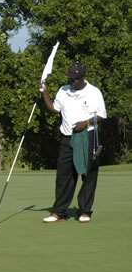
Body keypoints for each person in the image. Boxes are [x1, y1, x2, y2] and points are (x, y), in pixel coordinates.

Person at [39, 61, 107, 223]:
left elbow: (102, 116)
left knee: (88, 174)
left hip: (87, 137)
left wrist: (86, 122)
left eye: (75, 79)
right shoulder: (63, 91)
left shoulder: (93, 92)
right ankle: (59, 212)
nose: (71, 82)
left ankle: (85, 211)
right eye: (70, 79)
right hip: (67, 138)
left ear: (83, 77)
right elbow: (55, 110)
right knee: (64, 176)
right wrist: (44, 94)